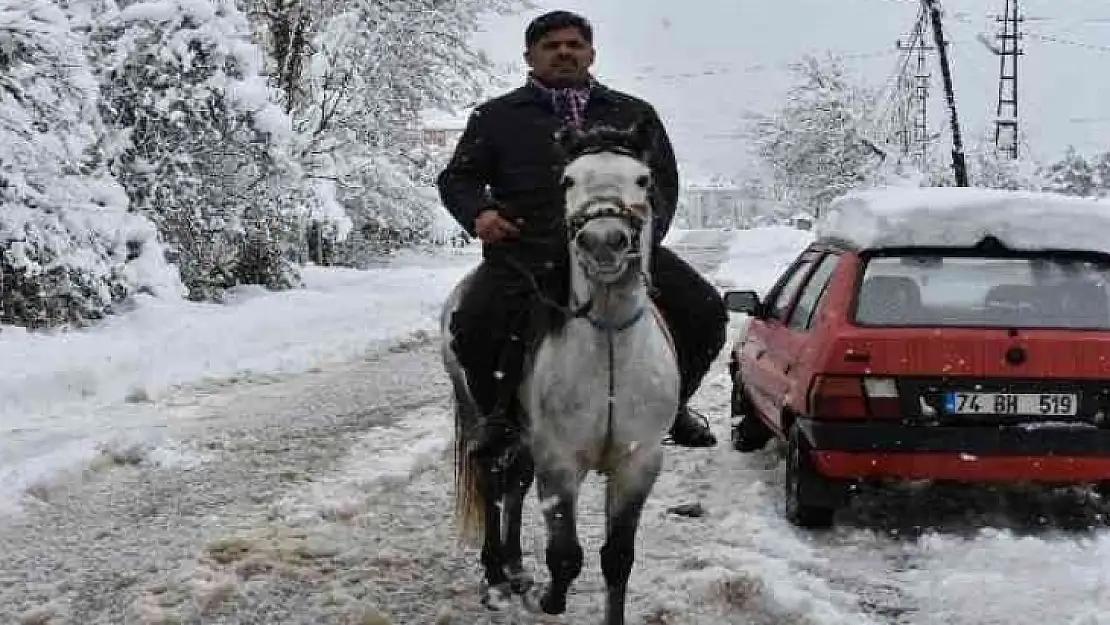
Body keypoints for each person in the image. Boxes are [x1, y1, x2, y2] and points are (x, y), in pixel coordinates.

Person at [438, 10, 727, 456]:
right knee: (473, 324)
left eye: (574, 44)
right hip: (525, 253)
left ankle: (676, 407)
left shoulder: (633, 114)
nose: (564, 52)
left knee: (705, 311)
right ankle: (498, 419)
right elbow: (459, 179)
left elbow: (662, 185)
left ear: (591, 53)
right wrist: (480, 213)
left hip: (622, 253)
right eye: (551, 46)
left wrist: (642, 244)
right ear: (529, 57)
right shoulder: (497, 117)